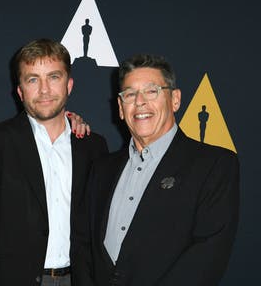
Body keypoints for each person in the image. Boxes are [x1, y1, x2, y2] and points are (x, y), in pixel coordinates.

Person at [81, 54, 239, 286]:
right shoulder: (102, 169)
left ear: (175, 100)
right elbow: (84, 245)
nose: (140, 102)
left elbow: (207, 257)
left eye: (151, 91)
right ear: (121, 108)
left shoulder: (214, 165)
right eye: (130, 94)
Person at [0, 38, 108, 286]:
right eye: (33, 79)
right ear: (20, 91)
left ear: (69, 84)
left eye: (53, 77)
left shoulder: (93, 146)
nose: (44, 90)